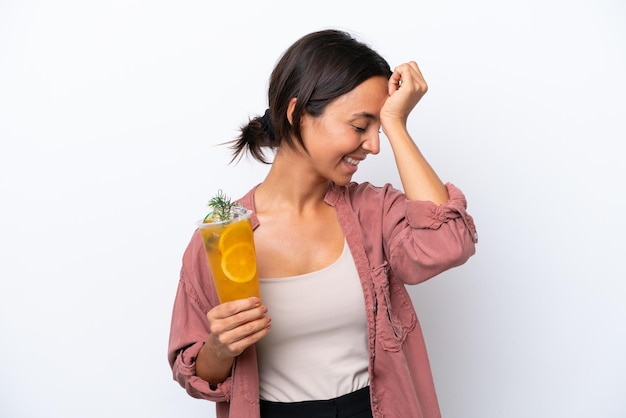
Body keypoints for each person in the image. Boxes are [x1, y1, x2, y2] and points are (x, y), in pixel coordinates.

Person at [168, 29, 478, 418]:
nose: (374, 145)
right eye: (360, 125)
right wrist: (220, 347)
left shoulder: (374, 212)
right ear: (296, 113)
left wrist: (397, 123)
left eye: (379, 129)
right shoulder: (223, 234)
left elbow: (448, 243)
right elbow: (195, 372)